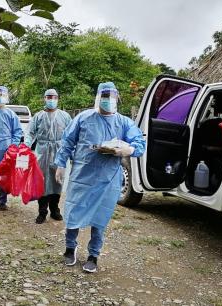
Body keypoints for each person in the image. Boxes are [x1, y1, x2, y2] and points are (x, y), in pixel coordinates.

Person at [54, 82, 146, 273]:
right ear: (97, 97)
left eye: (111, 97)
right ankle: (70, 248)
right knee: (73, 212)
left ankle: (93, 255)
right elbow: (68, 141)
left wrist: (128, 149)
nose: (107, 100)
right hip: (82, 175)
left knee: (100, 217)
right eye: (104, 96)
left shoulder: (124, 122)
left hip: (108, 179)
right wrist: (61, 163)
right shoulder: (84, 117)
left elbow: (139, 143)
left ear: (117, 99)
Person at [25, 89, 72, 224]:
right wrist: (26, 145)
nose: (52, 100)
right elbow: (30, 133)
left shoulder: (65, 116)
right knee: (43, 182)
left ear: (58, 99)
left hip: (60, 152)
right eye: (49, 97)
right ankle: (42, 212)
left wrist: (72, 152)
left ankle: (55, 210)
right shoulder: (38, 116)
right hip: (43, 152)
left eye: (54, 97)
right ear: (44, 98)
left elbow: (71, 134)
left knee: (58, 181)